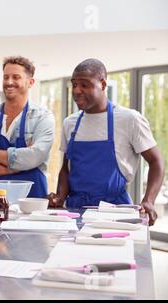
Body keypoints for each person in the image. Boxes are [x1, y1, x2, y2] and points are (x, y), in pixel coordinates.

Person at [48, 58, 165, 225]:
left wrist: (149, 200)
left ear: (102, 84)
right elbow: (66, 169)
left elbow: (156, 161)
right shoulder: (70, 123)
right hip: (75, 212)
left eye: (84, 85)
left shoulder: (129, 119)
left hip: (115, 212)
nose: (77, 90)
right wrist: (60, 196)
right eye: (74, 85)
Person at [0, 56, 55, 197]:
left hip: (30, 198)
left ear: (30, 82)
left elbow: (35, 156)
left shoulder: (43, 117)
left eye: (16, 77)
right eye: (6, 77)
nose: (9, 82)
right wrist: (14, 167)